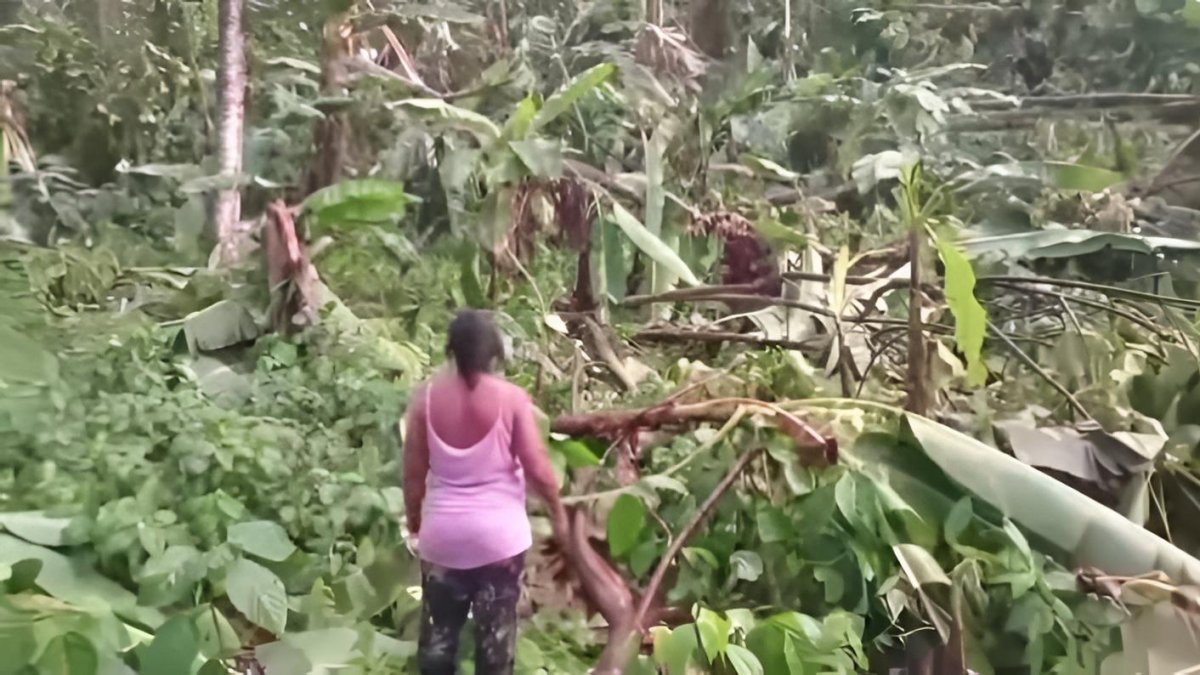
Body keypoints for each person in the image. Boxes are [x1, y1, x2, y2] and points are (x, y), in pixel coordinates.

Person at [403, 309, 568, 675]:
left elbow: (413, 475)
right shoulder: (512, 400)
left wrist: (417, 523)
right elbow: (538, 467)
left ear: (451, 351)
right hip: (499, 544)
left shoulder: (425, 399)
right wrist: (558, 512)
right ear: (493, 353)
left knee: (437, 647)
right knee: (495, 649)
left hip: (443, 539)